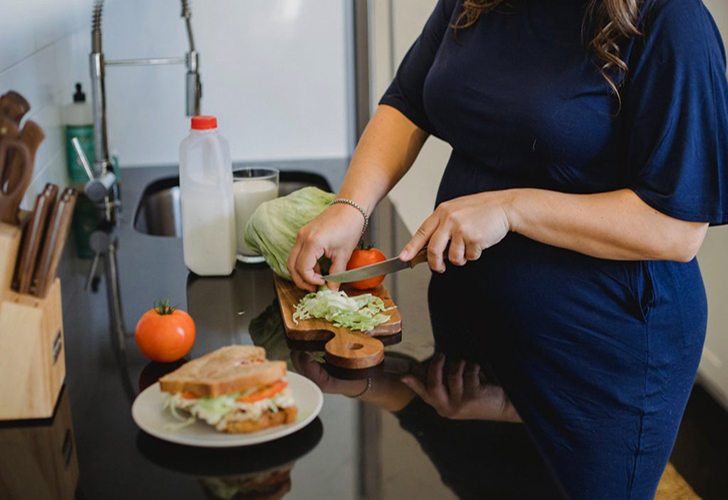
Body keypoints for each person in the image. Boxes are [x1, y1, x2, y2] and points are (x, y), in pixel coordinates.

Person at [286, 0, 728, 498]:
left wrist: (511, 209)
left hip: (598, 359)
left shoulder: (672, 19)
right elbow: (409, 98)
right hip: (471, 339)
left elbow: (676, 228)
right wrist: (351, 205)